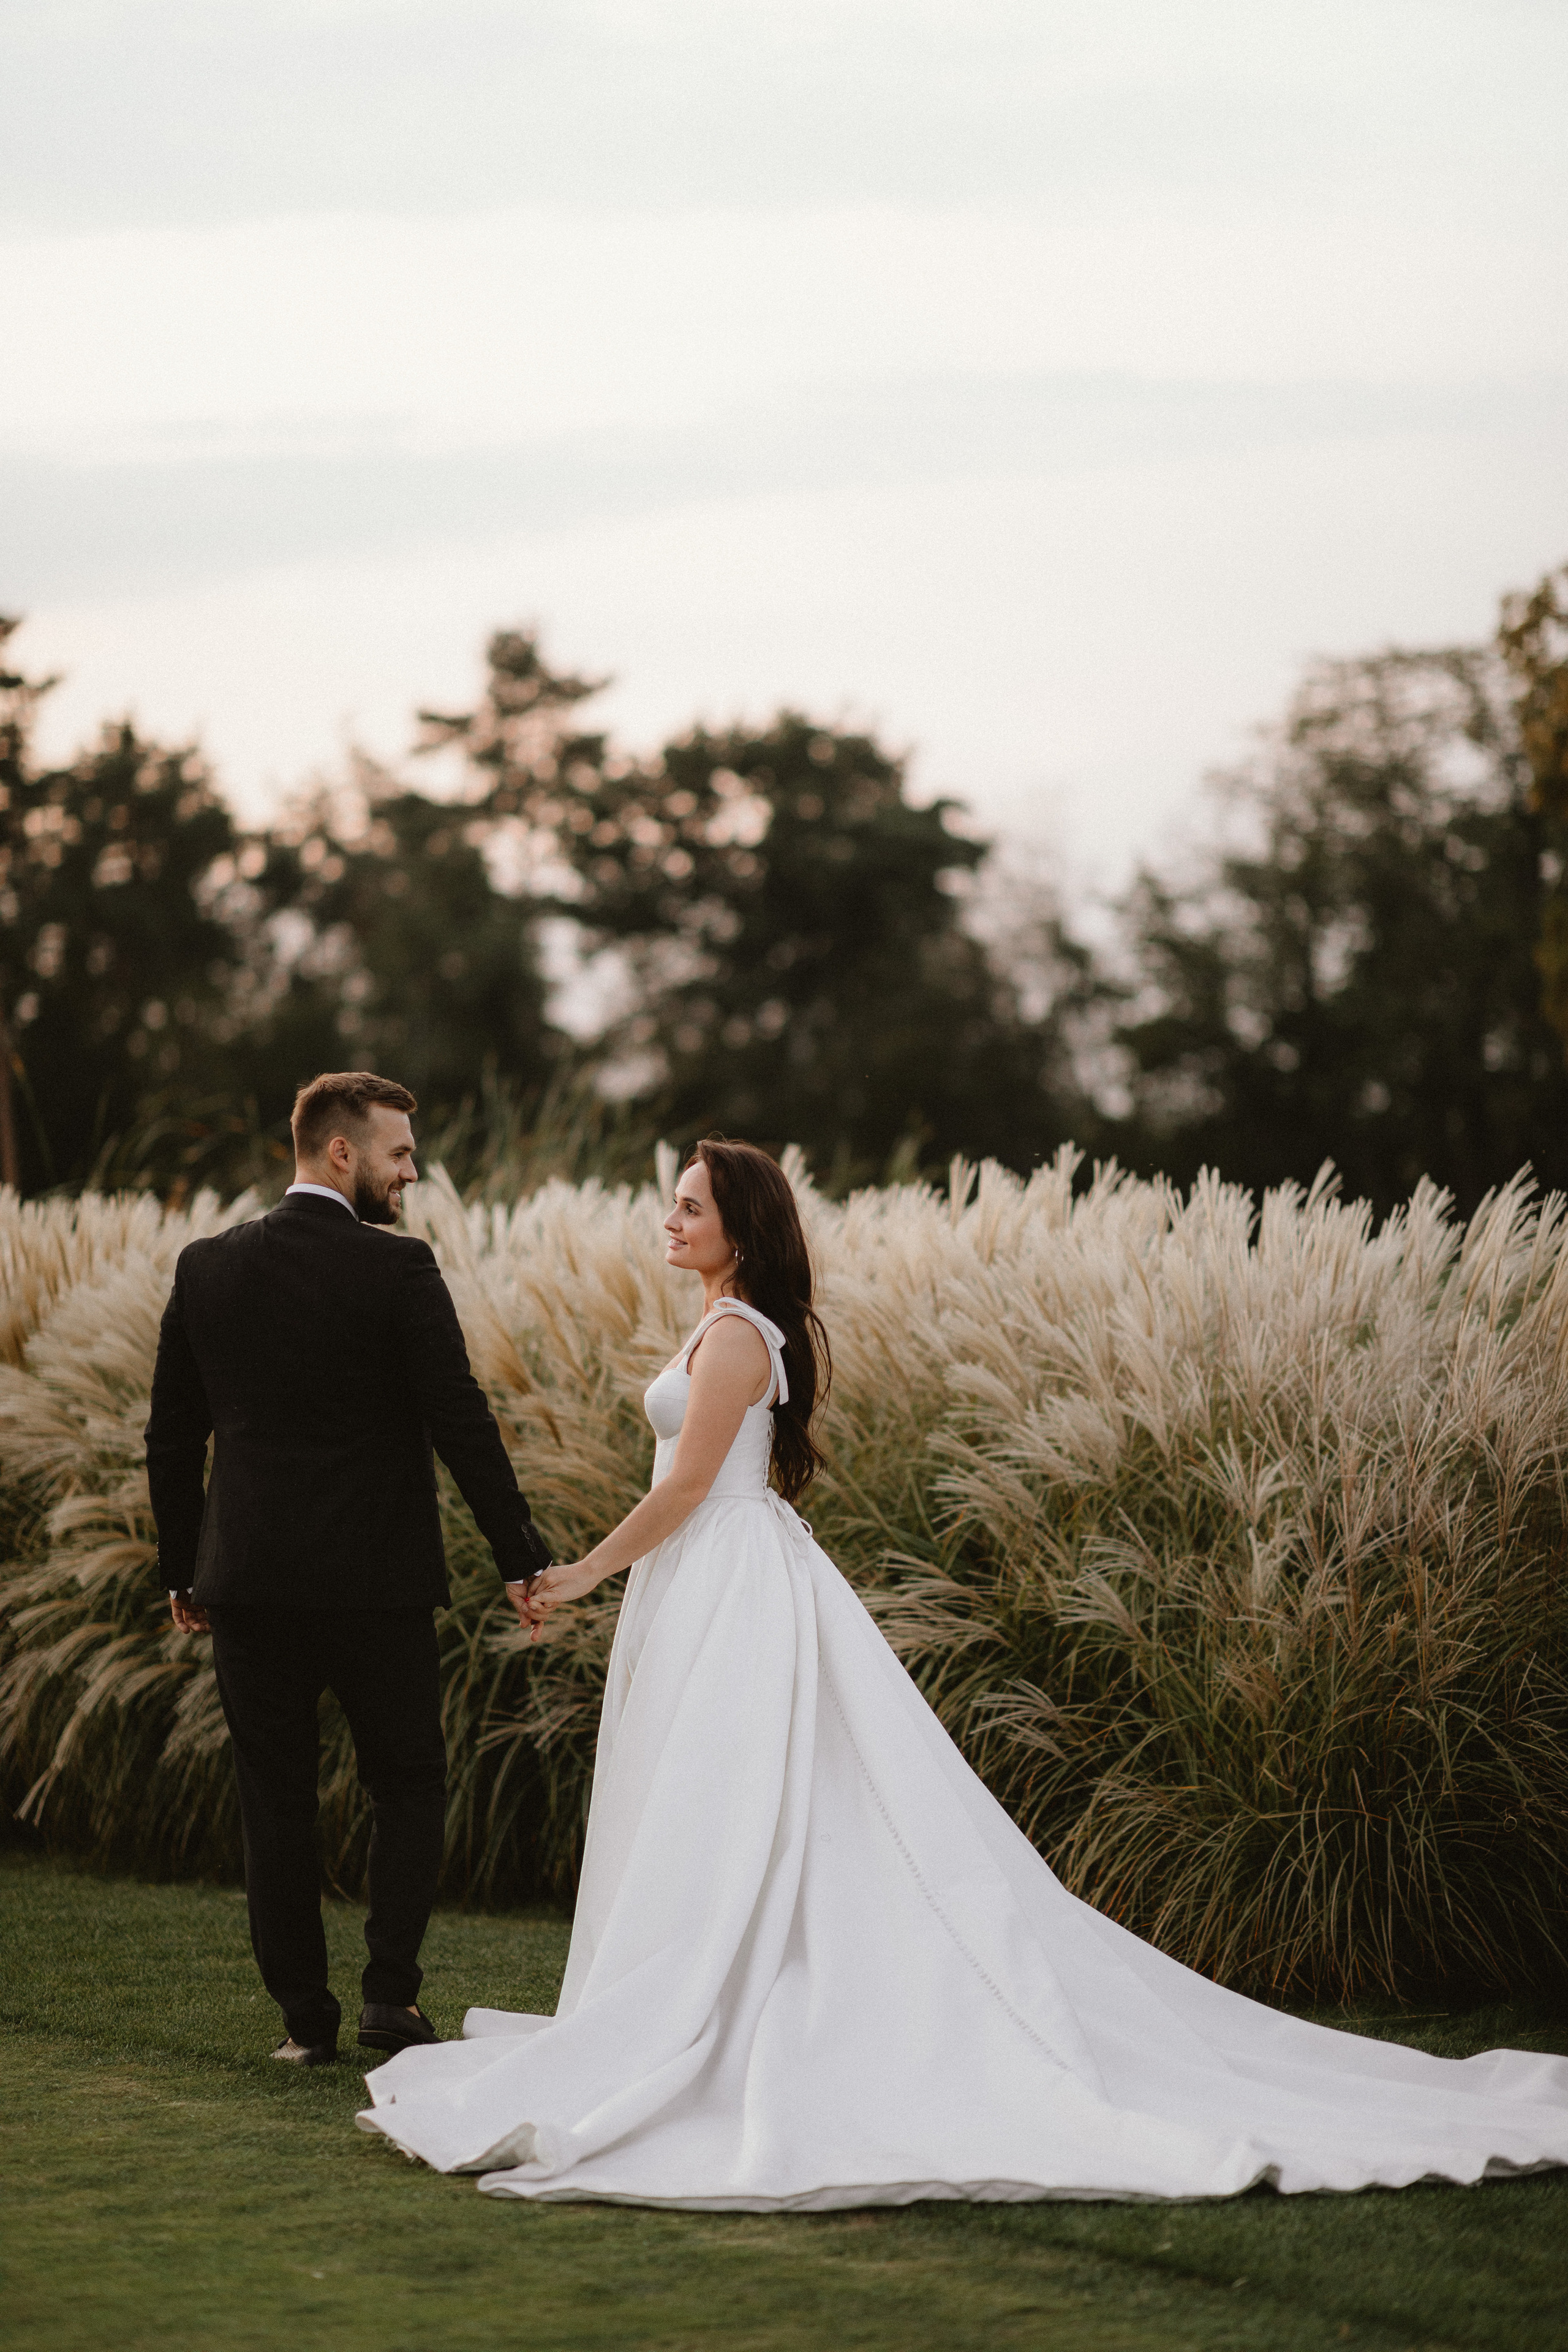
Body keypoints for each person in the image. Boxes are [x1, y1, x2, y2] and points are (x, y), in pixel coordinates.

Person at [359, 1137, 1568, 2209]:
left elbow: (684, 1490)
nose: (666, 1221)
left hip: (725, 1581)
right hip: (703, 1585)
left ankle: (731, 2016)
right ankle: (678, 1993)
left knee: (740, 1802)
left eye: (688, 1206)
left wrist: (574, 1575)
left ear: (741, 1229)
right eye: (668, 1203)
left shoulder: (736, 1335)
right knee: (696, 1800)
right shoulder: (716, 1323)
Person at [145, 1070, 551, 2068]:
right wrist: (521, 1556)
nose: (411, 1174)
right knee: (408, 1782)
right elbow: (462, 1420)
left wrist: (184, 1568)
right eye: (399, 1154)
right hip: (378, 1585)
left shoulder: (207, 1268)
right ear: (341, 1152)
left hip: (249, 1584)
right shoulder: (400, 1270)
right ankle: (390, 1999)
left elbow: (169, 1437)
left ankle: (303, 2024)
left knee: (273, 1796)